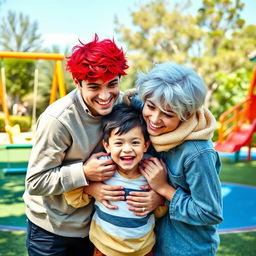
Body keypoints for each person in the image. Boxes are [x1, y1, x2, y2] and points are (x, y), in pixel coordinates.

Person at [23, 34, 129, 256]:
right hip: (51, 232)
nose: (105, 95)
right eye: (93, 86)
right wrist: (84, 172)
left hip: (96, 227)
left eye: (112, 84)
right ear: (77, 83)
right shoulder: (57, 120)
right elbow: (35, 181)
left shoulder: (123, 106)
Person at [125, 62, 223, 256]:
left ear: (185, 115)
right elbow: (127, 98)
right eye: (150, 107)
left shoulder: (198, 153)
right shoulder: (148, 115)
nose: (154, 119)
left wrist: (163, 189)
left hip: (185, 249)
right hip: (149, 243)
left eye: (168, 114)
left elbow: (210, 213)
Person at [64, 103, 167, 256]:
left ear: (145, 145)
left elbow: (159, 211)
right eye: (119, 142)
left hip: (143, 250)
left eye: (135, 142)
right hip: (104, 250)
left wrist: (159, 199)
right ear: (107, 145)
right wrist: (90, 188)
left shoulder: (152, 171)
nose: (127, 149)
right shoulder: (102, 169)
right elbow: (72, 197)